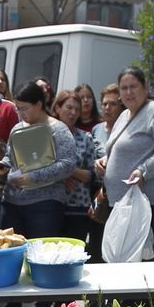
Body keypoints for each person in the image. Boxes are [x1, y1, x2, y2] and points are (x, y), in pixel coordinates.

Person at [0, 82, 77, 307]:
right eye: (18, 108)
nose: (20, 113)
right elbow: (12, 156)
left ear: (39, 104)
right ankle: (12, 306)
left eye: (25, 108)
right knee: (12, 256)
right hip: (12, 201)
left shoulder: (58, 129)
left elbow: (68, 164)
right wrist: (3, 166)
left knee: (42, 257)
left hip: (45, 203)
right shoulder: (18, 128)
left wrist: (34, 177)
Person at [94, 66, 154, 263]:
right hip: (120, 204)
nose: (128, 92)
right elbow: (120, 148)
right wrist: (105, 161)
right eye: (124, 88)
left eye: (133, 86)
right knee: (123, 260)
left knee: (143, 260)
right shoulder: (124, 115)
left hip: (146, 203)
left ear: (145, 87)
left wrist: (144, 170)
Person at [52, 90, 100, 250]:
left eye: (77, 109)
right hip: (51, 205)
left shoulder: (85, 137)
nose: (73, 113)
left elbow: (92, 175)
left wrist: (68, 169)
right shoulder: (46, 135)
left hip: (78, 207)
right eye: (69, 107)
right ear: (58, 108)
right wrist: (62, 177)